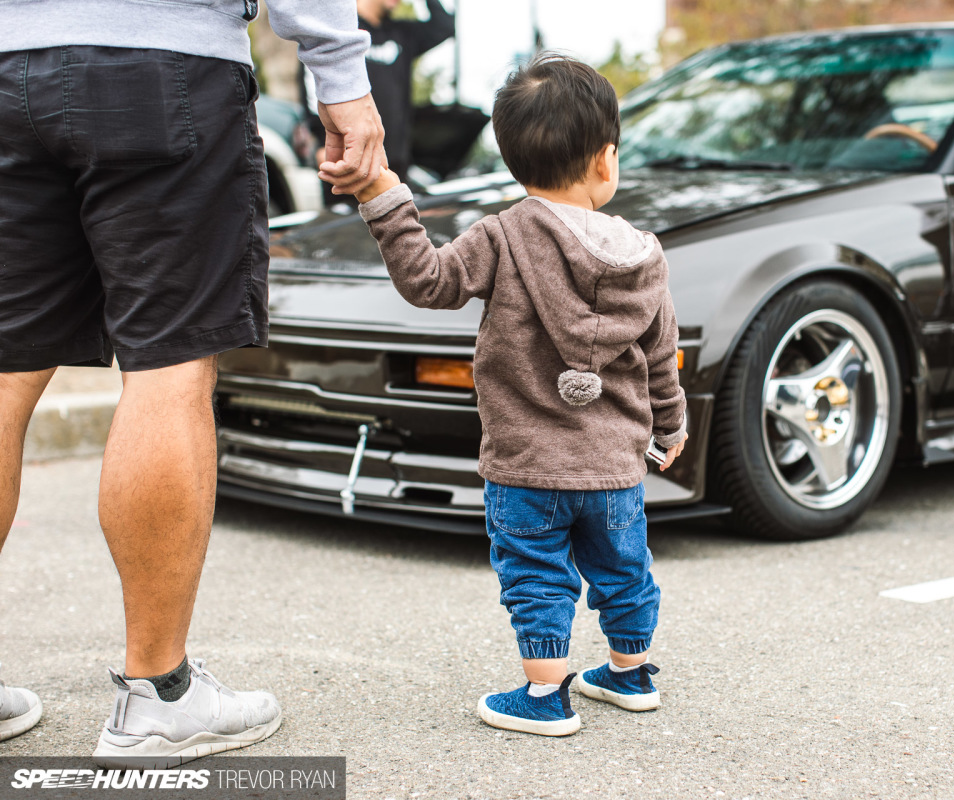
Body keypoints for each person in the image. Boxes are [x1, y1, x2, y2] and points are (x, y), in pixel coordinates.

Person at [0, 0, 384, 765]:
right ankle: (160, 697)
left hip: (8, 65)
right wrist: (341, 74)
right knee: (169, 368)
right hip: (163, 61)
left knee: (3, 376)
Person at [342, 54, 689, 737]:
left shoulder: (502, 235)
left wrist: (384, 196)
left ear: (512, 159)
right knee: (624, 569)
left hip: (527, 462)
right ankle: (630, 673)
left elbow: (430, 283)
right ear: (606, 160)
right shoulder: (644, 255)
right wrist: (670, 430)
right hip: (615, 465)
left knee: (536, 574)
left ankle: (545, 695)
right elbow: (659, 358)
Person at [302, 0, 455, 182]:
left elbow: (444, 26)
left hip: (394, 168)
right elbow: (312, 85)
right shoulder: (340, 33)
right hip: (347, 162)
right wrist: (321, 141)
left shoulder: (402, 34)